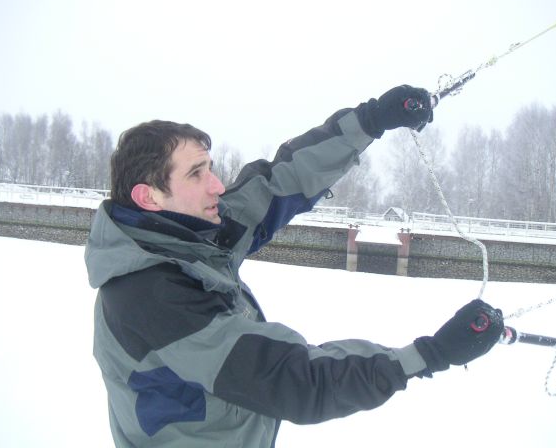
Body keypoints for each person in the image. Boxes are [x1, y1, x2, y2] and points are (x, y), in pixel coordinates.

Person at [85, 85, 504, 448]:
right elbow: (295, 380)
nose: (217, 185)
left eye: (210, 168)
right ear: (149, 197)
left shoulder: (190, 232)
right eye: (196, 174)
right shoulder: (149, 297)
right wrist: (429, 354)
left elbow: (280, 182)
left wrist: (371, 120)